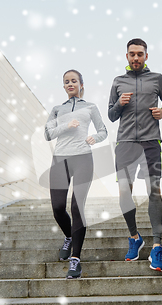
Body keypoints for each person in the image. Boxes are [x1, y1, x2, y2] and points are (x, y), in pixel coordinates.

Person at [108, 38, 162, 272]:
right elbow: (111, 115)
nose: (136, 57)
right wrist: (118, 104)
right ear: (126, 56)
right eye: (132, 54)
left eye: (140, 54)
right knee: (124, 190)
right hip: (125, 143)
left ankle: (156, 245)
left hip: (150, 143)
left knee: (153, 191)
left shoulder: (157, 79)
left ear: (146, 56)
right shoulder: (118, 81)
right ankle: (135, 237)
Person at [45, 69, 107, 279]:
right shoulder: (56, 109)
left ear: (81, 84)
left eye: (74, 81)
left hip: (83, 158)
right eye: (66, 82)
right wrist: (65, 125)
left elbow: (103, 130)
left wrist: (95, 139)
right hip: (60, 158)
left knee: (76, 206)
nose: (70, 84)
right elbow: (47, 134)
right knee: (57, 208)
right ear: (63, 86)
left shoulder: (90, 107)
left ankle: (75, 260)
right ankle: (69, 237)